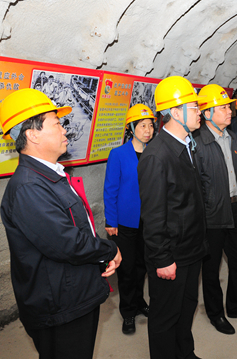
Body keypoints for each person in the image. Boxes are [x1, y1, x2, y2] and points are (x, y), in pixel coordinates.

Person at [0, 88, 121, 359]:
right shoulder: (29, 187)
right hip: (59, 305)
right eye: (56, 123)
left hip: (73, 293)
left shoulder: (50, 175)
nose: (64, 130)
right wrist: (109, 249)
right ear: (33, 134)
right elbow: (67, 243)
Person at [138, 76, 207, 359]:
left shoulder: (187, 144)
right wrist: (162, 258)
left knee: (187, 307)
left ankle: (185, 353)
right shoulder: (156, 155)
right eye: (195, 107)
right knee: (165, 316)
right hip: (171, 254)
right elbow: (153, 216)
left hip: (191, 248)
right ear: (176, 113)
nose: (200, 111)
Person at [194, 84, 237, 335]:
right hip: (212, 214)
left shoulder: (232, 136)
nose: (229, 111)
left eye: (228, 107)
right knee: (211, 269)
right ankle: (216, 314)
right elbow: (196, 186)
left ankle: (235, 305)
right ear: (207, 113)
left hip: (236, 209)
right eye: (222, 108)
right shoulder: (197, 143)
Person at [103, 104, 155, 335]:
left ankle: (139, 301)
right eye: (142, 126)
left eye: (150, 125)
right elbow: (110, 189)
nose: (148, 130)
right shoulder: (118, 154)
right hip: (125, 221)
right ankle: (128, 312)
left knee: (143, 265)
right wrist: (111, 221)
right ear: (131, 128)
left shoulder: (155, 152)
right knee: (127, 268)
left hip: (149, 219)